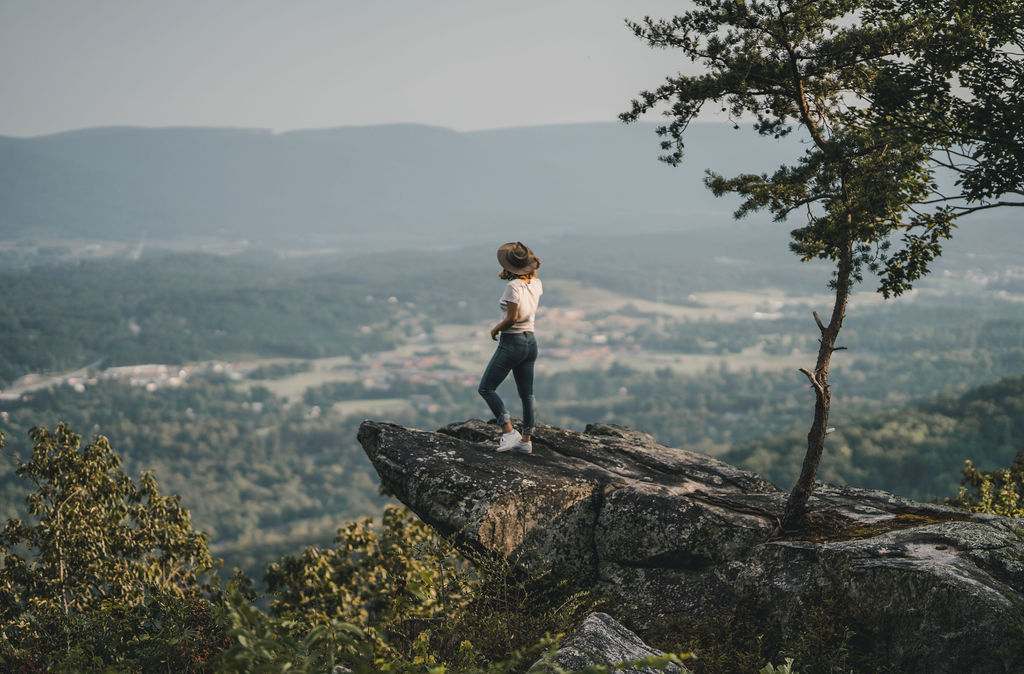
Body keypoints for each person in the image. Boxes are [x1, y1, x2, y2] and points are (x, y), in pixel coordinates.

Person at [478, 241, 543, 454]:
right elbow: (531, 275)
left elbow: (512, 318)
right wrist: (533, 267)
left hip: (512, 341)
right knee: (527, 394)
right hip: (531, 342)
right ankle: (526, 440)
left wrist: (495, 329)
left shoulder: (512, 287)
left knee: (486, 388)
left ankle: (508, 431)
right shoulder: (536, 283)